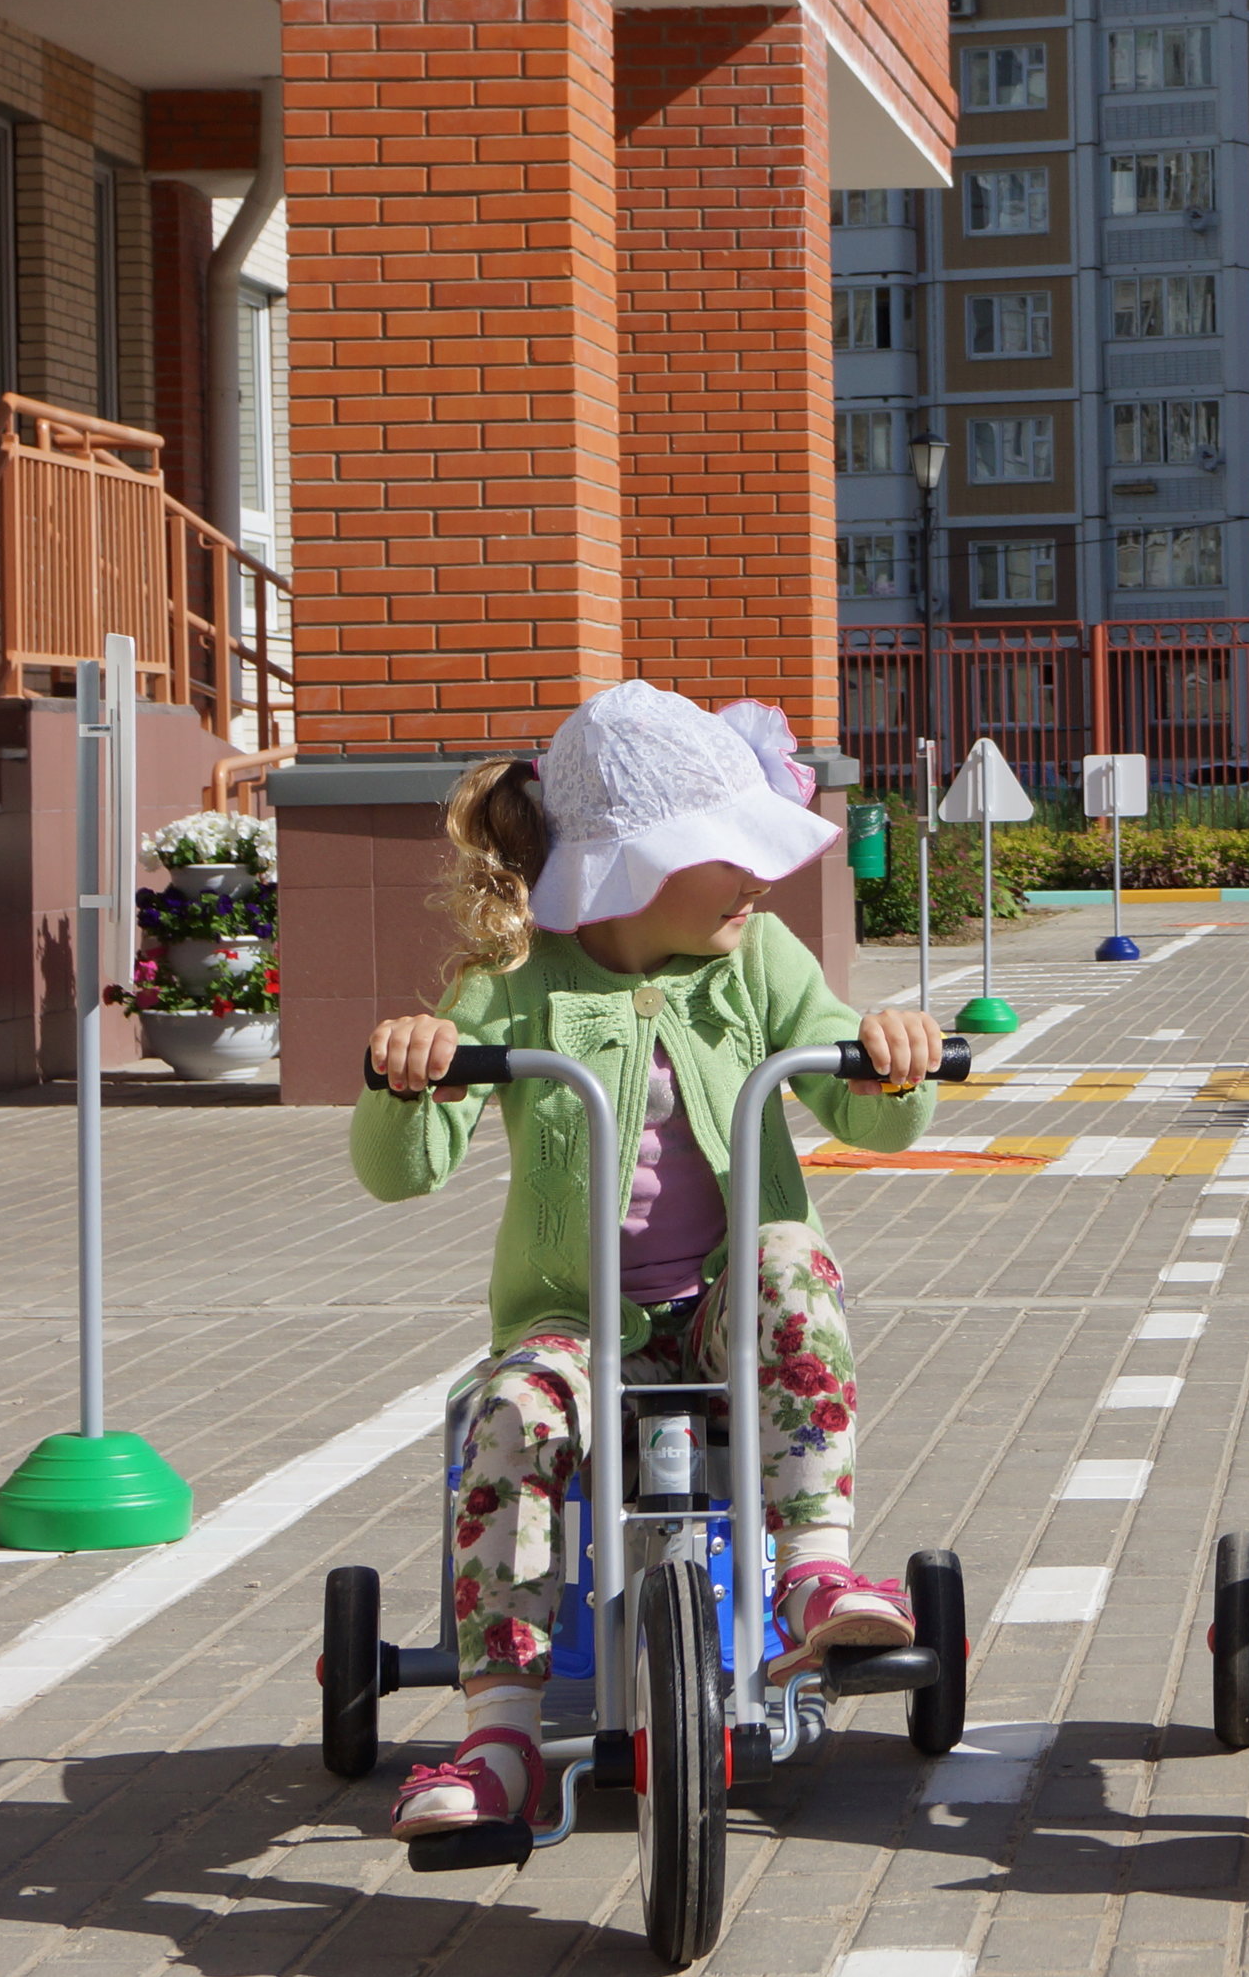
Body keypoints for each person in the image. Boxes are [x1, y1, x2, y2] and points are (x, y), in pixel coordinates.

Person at [355, 684, 947, 1840]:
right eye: (732, 852)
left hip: (728, 1311)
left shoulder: (758, 957)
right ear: (631, 863)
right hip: (578, 1321)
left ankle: (815, 1571)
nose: (762, 877)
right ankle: (501, 1736)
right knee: (511, 1411)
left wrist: (889, 1061)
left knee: (789, 1255)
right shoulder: (516, 975)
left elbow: (865, 1115)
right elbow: (405, 1169)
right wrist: (409, 1073)